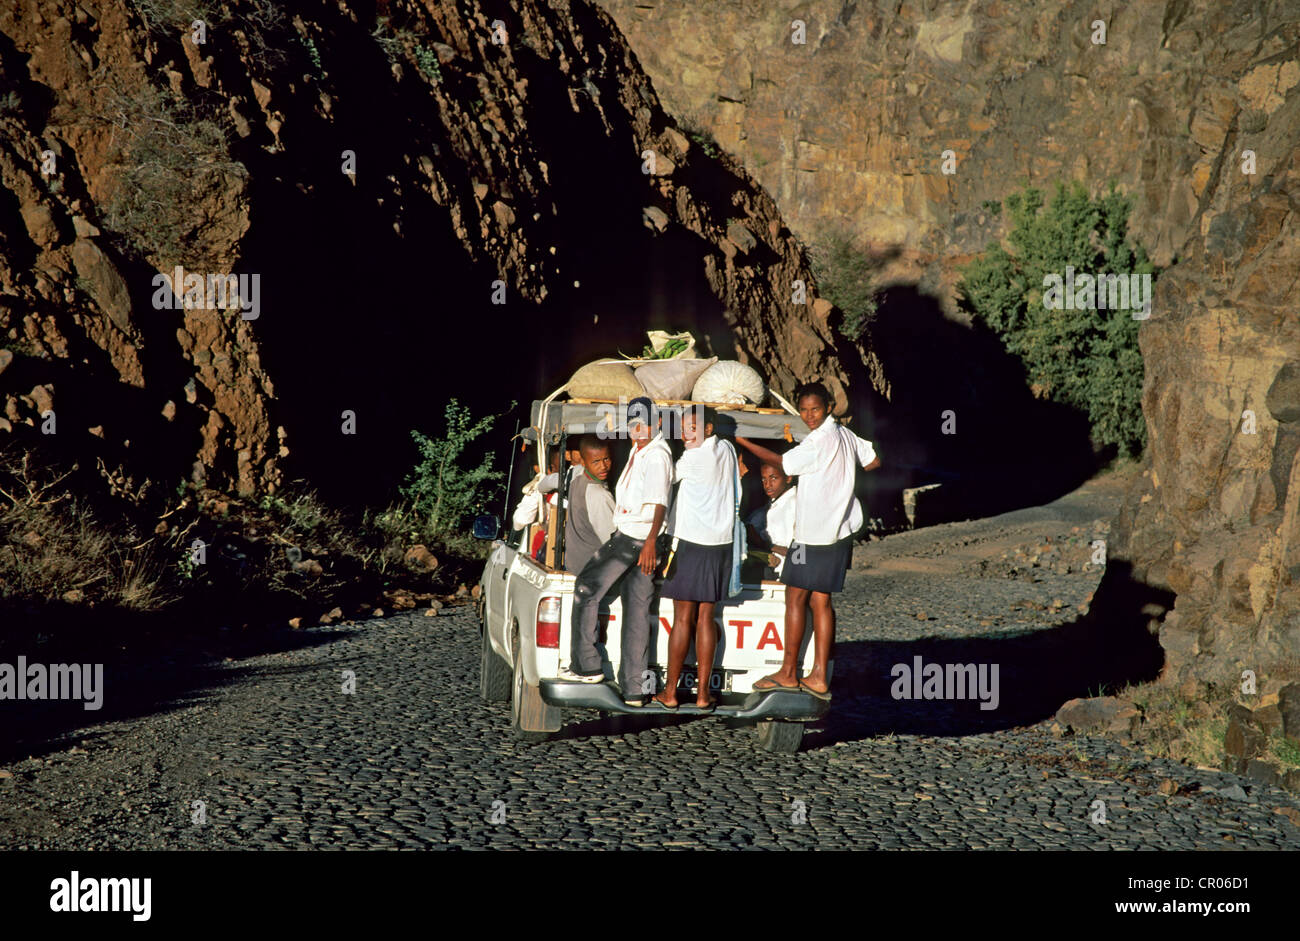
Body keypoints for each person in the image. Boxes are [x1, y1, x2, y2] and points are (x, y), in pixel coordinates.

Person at [734, 381, 880, 700]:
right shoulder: (844, 434)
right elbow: (873, 462)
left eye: (815, 409)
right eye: (803, 409)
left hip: (813, 536)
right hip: (838, 533)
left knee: (795, 598)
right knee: (821, 602)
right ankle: (817, 676)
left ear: (829, 406)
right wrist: (843, 488)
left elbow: (783, 463)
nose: (808, 415)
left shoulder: (820, 441)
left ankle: (788, 673)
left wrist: (741, 439)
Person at [561, 397, 673, 707]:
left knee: (586, 586)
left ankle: (586, 665)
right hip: (641, 537)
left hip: (636, 538)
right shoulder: (642, 450)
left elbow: (659, 503)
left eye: (644, 425)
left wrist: (651, 542)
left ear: (658, 424)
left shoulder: (656, 456)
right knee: (637, 609)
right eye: (634, 425)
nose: (638, 431)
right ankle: (634, 689)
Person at [651, 406, 737, 712]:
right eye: (684, 428)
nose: (686, 433)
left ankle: (670, 693)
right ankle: (702, 695)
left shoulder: (691, 459)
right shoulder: (726, 449)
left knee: (682, 619)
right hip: (719, 546)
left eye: (693, 428)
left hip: (689, 545)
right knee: (706, 618)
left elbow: (665, 477)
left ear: (709, 429)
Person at [539, 434, 615, 574]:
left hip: (575, 565)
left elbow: (544, 484)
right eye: (596, 462)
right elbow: (613, 545)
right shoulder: (600, 496)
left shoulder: (575, 474)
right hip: (595, 571)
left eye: (606, 459)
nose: (603, 466)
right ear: (584, 462)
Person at [747, 461, 796, 578]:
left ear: (788, 478)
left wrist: (767, 546)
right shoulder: (772, 505)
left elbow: (799, 555)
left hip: (786, 574)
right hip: (770, 569)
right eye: (763, 479)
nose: (767, 484)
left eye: (773, 478)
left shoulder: (794, 505)